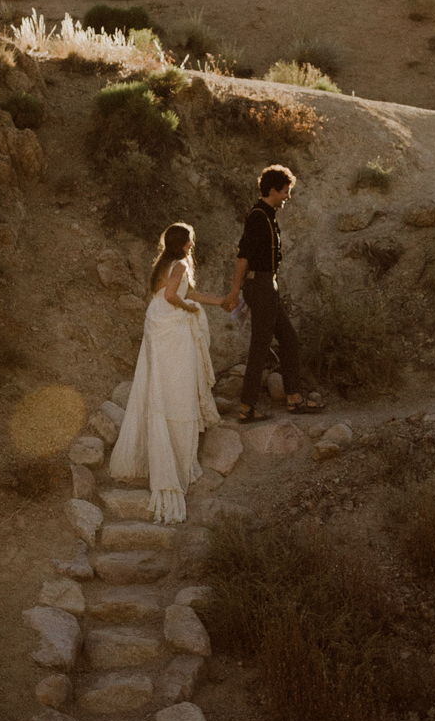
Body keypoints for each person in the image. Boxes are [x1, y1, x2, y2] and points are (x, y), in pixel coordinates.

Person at [109, 222, 222, 521]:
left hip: (157, 326)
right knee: (177, 388)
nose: (191, 245)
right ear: (185, 243)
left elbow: (187, 293)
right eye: (190, 241)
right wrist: (190, 311)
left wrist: (218, 301)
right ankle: (174, 464)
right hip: (171, 329)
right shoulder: (181, 264)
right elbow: (175, 296)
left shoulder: (165, 264)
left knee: (157, 386)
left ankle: (162, 457)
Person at [227, 166, 324, 423]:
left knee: (289, 339)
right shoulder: (258, 216)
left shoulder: (267, 215)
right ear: (272, 190)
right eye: (285, 191)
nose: (287, 197)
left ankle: (293, 398)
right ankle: (247, 407)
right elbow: (243, 258)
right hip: (260, 285)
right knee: (260, 346)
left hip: (266, 285)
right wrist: (234, 292)